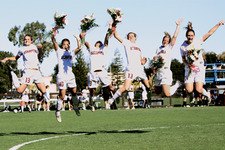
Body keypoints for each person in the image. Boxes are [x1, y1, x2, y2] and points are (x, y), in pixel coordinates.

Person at [107, 23, 151, 108]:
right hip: (131, 68)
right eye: (129, 36)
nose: (130, 37)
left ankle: (148, 100)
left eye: (132, 36)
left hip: (140, 69)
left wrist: (143, 60)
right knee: (126, 88)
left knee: (148, 86)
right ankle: (111, 100)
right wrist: (114, 24)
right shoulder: (127, 43)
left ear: (135, 37)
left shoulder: (139, 47)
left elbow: (141, 60)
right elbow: (116, 36)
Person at [180, 20, 224, 101]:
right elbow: (183, 59)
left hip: (199, 68)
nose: (190, 37)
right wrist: (187, 64)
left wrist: (218, 24)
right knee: (189, 90)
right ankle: (192, 97)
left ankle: (207, 95)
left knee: (199, 89)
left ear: (194, 35)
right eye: (188, 35)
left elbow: (209, 33)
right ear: (186, 36)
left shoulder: (198, 41)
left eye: (192, 35)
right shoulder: (183, 46)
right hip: (189, 69)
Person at [80, 23, 115, 112]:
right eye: (97, 43)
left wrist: (109, 28)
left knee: (111, 87)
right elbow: (85, 42)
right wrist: (83, 34)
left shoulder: (103, 49)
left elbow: (106, 39)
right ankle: (91, 104)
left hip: (102, 72)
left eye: (100, 43)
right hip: (92, 73)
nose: (98, 43)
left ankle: (112, 102)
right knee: (92, 91)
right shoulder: (92, 49)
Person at [51, 34, 82, 122]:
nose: (66, 45)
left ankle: (75, 107)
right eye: (64, 44)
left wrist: (77, 39)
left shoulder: (71, 52)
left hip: (70, 76)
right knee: (62, 95)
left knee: (74, 93)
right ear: (62, 45)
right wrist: (53, 34)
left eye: (67, 44)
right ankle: (57, 112)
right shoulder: (59, 51)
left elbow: (79, 48)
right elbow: (53, 42)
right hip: (62, 76)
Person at [154, 18, 183, 97]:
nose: (165, 42)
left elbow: (174, 37)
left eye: (167, 41)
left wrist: (178, 26)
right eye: (164, 40)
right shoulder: (158, 49)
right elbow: (155, 59)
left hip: (166, 72)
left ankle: (177, 84)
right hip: (159, 72)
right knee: (157, 92)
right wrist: (154, 68)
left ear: (169, 42)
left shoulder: (169, 47)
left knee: (167, 94)